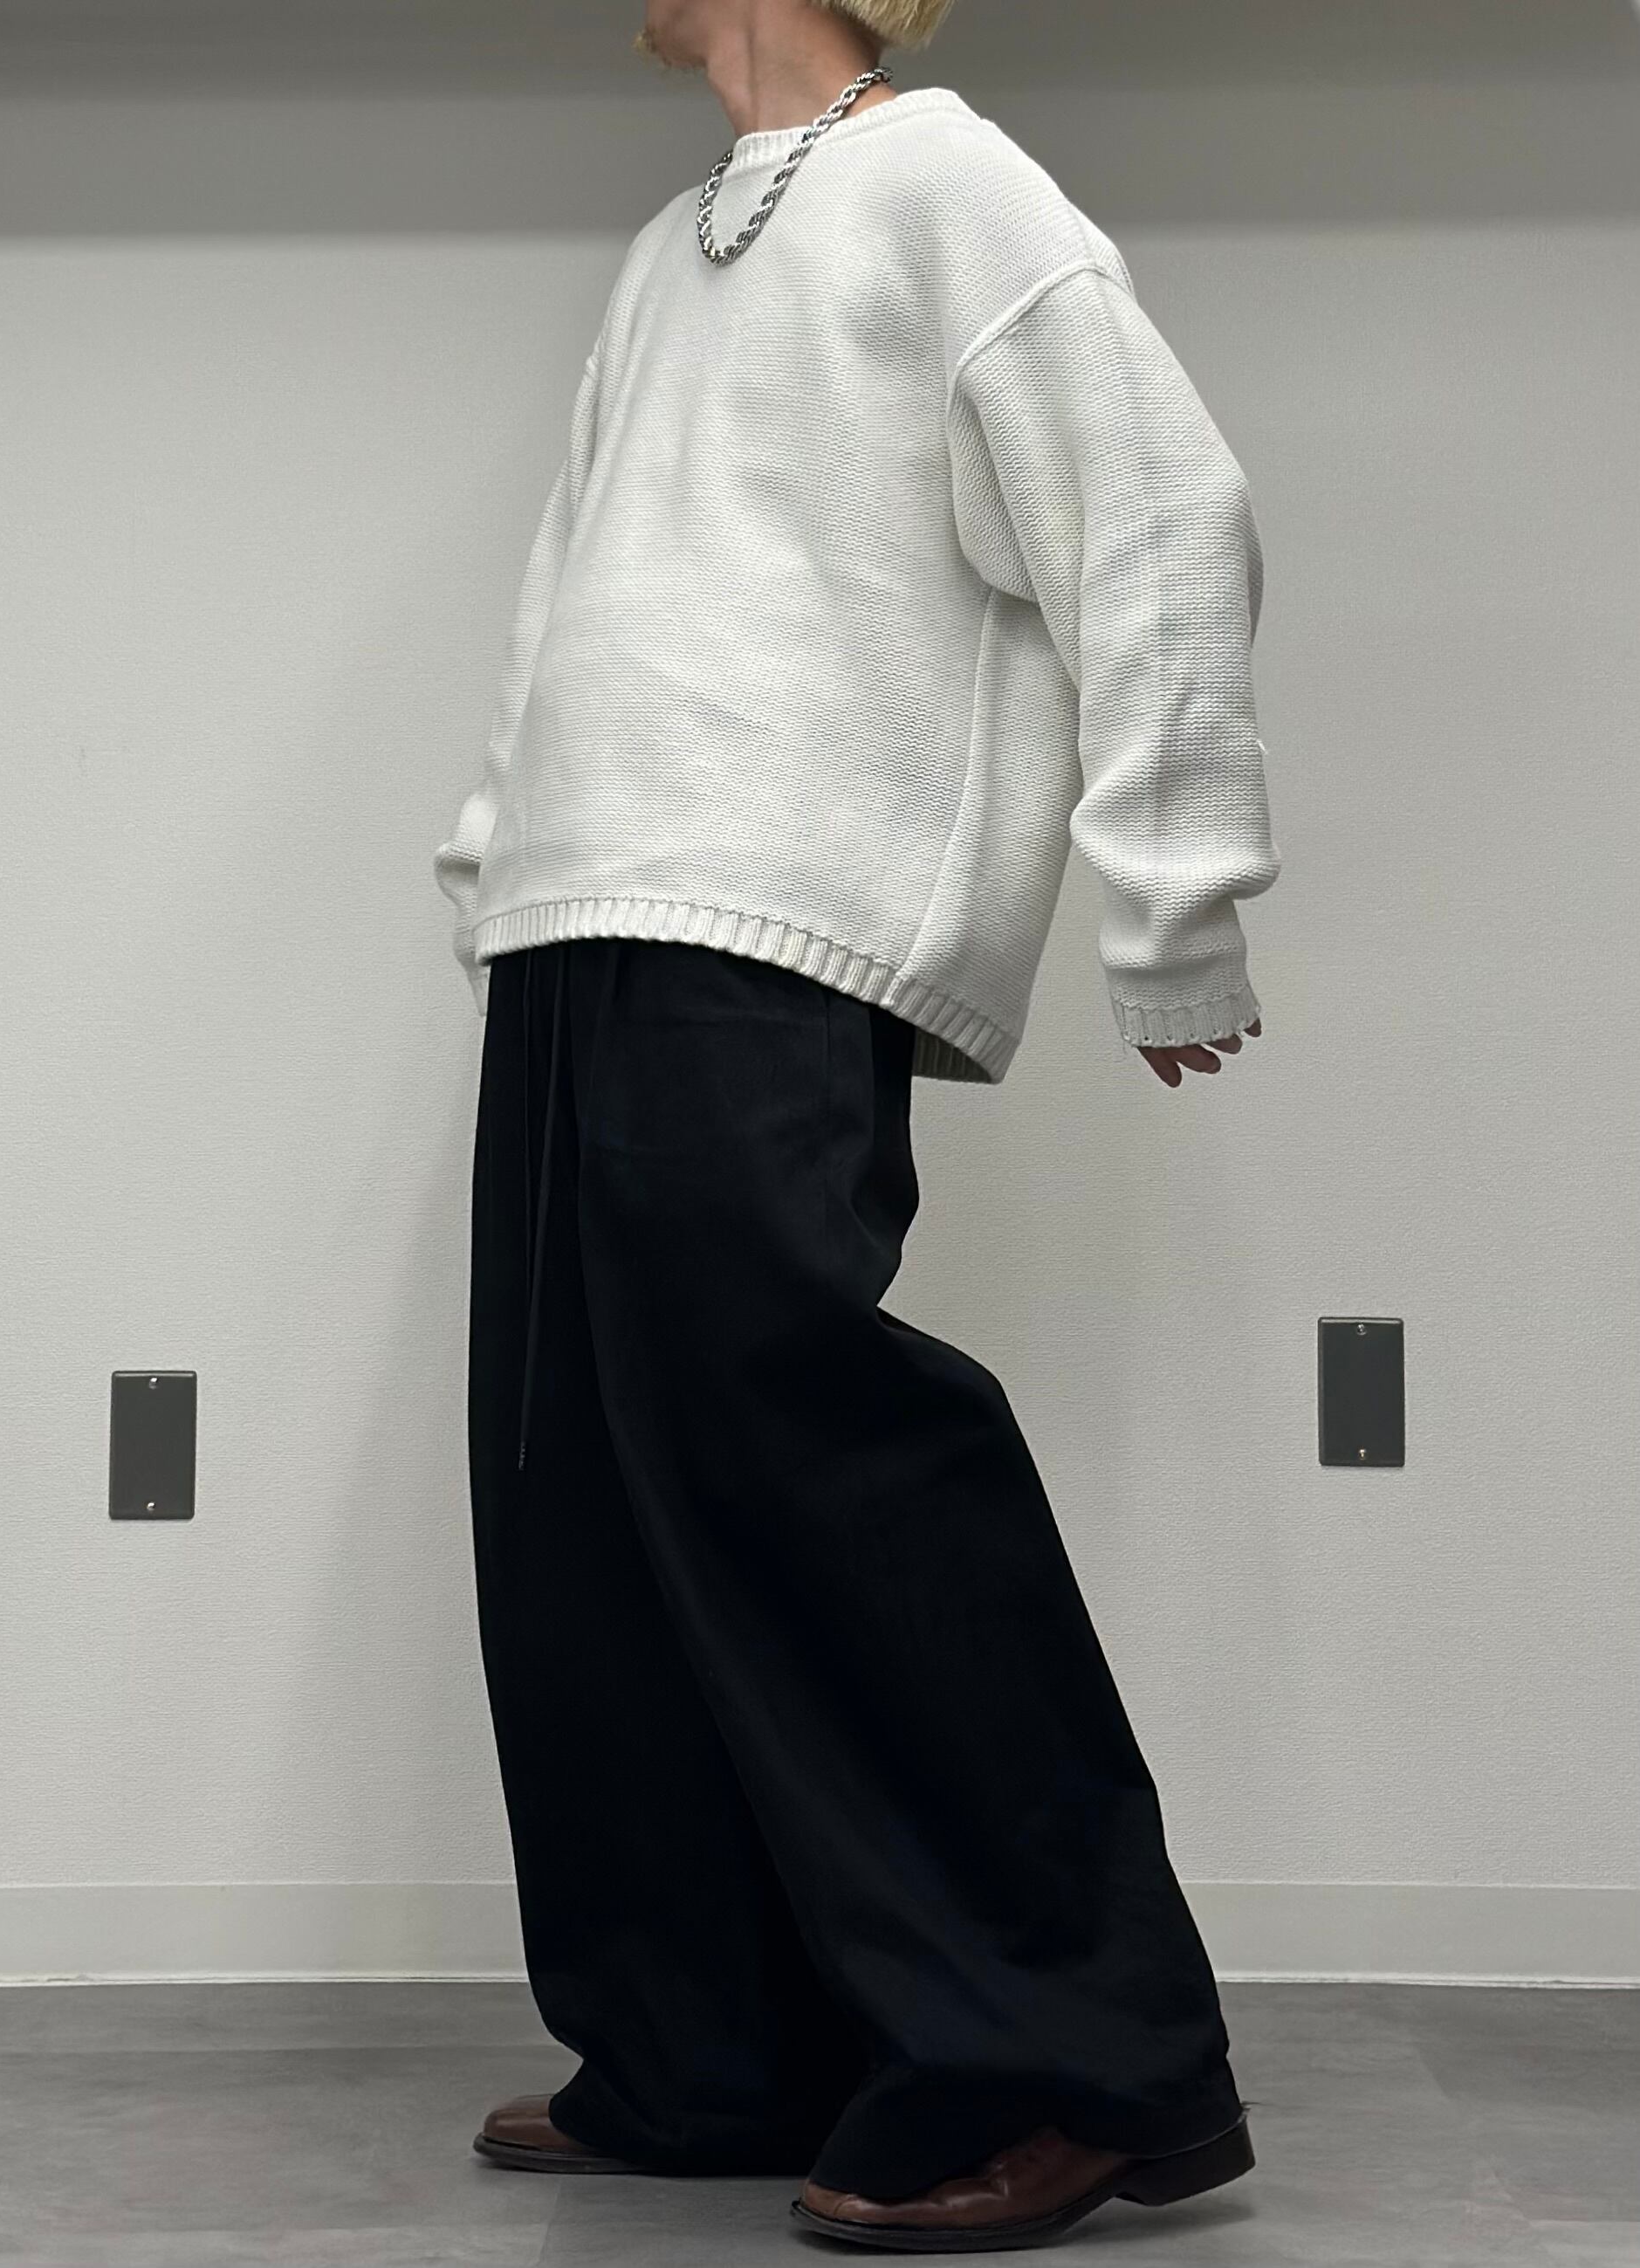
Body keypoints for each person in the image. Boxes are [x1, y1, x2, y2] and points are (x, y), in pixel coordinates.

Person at [432, 0, 1280, 2249]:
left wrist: (1174, 893)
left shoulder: (946, 182)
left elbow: (1159, 506)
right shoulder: (669, 248)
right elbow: (577, 587)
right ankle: (707, 2047)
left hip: (776, 910)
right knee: (579, 1497)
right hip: (586, 917)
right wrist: (498, 859)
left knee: (815, 1458)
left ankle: (1075, 2058)